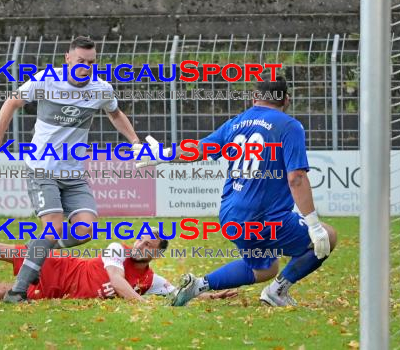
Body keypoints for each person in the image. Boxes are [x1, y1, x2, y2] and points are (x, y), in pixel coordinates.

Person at [133, 74, 337, 306]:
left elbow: (198, 149)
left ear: (254, 98)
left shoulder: (235, 123)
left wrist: (163, 154)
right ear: (286, 100)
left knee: (265, 267)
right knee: (327, 236)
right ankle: (277, 293)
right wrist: (313, 224)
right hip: (266, 216)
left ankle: (198, 285)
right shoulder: (289, 126)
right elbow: (297, 178)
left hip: (232, 215)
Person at [0, 36, 143, 302]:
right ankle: (18, 291)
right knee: (53, 229)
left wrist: (135, 141)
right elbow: (11, 102)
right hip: (42, 169)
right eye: (81, 61)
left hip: (74, 174)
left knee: (85, 230)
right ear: (68, 58)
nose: (86, 67)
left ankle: (36, 252)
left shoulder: (100, 89)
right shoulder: (46, 79)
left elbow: (115, 114)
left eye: (92, 62)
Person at [0, 231, 237, 302]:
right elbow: (118, 282)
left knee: (4, 294)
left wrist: (212, 296)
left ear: (156, 253)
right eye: (141, 239)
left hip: (56, 294)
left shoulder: (150, 278)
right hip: (57, 265)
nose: (140, 245)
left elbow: (177, 295)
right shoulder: (117, 250)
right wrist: (142, 306)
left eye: (148, 245)